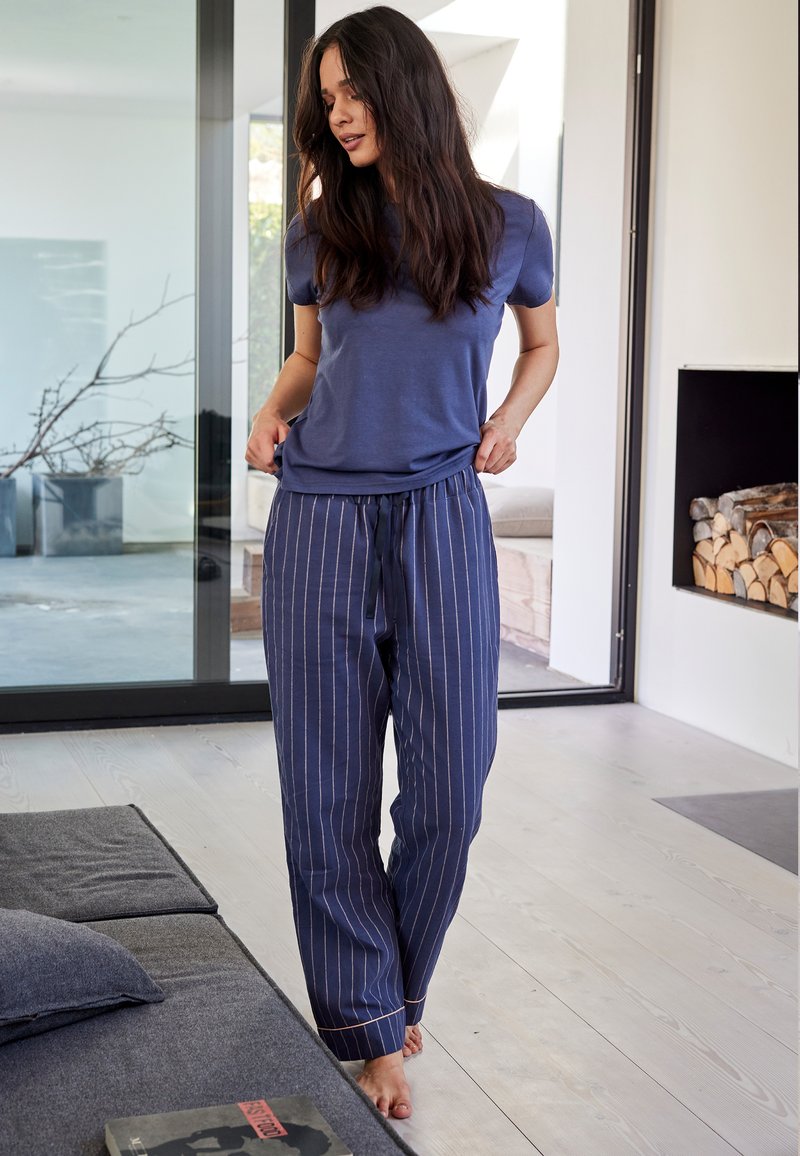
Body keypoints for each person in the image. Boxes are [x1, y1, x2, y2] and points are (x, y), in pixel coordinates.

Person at [246, 4, 559, 1121]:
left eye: (350, 88)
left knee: (449, 784)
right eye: (323, 97)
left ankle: (393, 983)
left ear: (403, 85)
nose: (335, 110)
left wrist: (510, 421)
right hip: (321, 515)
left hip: (440, 511)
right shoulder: (319, 229)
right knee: (324, 792)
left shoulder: (509, 223)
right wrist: (267, 413)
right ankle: (374, 1027)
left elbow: (540, 342)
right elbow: (306, 359)